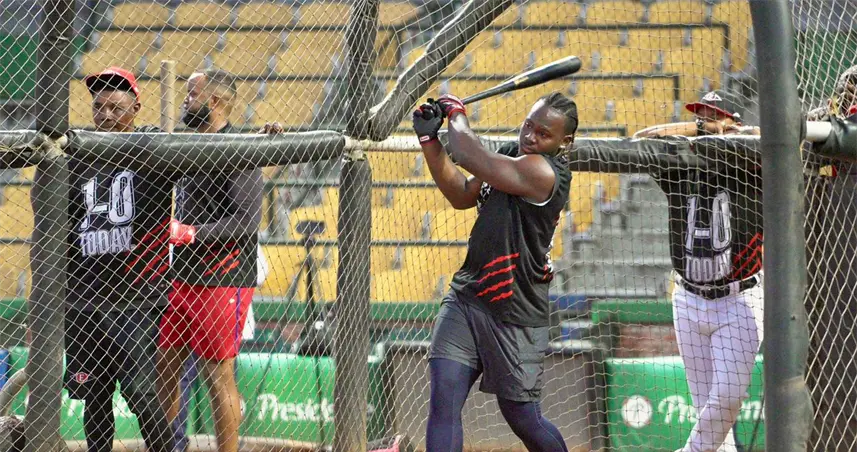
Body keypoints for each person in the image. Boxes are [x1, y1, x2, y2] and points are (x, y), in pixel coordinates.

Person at [580, 89, 762, 452]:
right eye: (700, 116)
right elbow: (643, 138)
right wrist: (698, 131)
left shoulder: (751, 164)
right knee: (706, 408)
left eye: (713, 115)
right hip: (688, 299)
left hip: (739, 299)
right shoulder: (683, 165)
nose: (704, 121)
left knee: (726, 398)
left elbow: (772, 139)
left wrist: (731, 134)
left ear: (734, 121)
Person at [412, 92, 575, 452]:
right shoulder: (512, 153)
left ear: (565, 142)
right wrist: (429, 141)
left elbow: (470, 154)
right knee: (444, 401)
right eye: (528, 126)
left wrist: (456, 113)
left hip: (515, 312)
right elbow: (461, 194)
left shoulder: (546, 173)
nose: (530, 136)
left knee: (522, 416)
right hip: (467, 297)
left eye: (543, 133)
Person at [65, 66, 175, 452]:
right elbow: (61, 228)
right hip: (83, 295)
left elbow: (206, 155)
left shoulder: (152, 148)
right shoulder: (76, 154)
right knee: (94, 393)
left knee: (139, 389)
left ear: (136, 109)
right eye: (99, 107)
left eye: (116, 107)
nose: (106, 115)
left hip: (136, 295)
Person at [156, 67, 263, 452]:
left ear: (214, 101)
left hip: (222, 277)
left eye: (192, 94)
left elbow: (247, 221)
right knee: (164, 367)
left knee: (218, 375)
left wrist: (191, 232)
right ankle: (165, 446)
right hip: (182, 275)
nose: (186, 101)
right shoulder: (192, 144)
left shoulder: (237, 147)